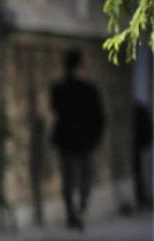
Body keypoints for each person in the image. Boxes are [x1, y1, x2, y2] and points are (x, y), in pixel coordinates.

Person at [50, 49, 106, 230]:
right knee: (84, 178)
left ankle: (72, 213)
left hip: (68, 139)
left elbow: (56, 109)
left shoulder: (60, 88)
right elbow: (99, 117)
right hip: (84, 140)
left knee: (70, 179)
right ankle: (79, 210)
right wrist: (95, 137)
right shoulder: (88, 90)